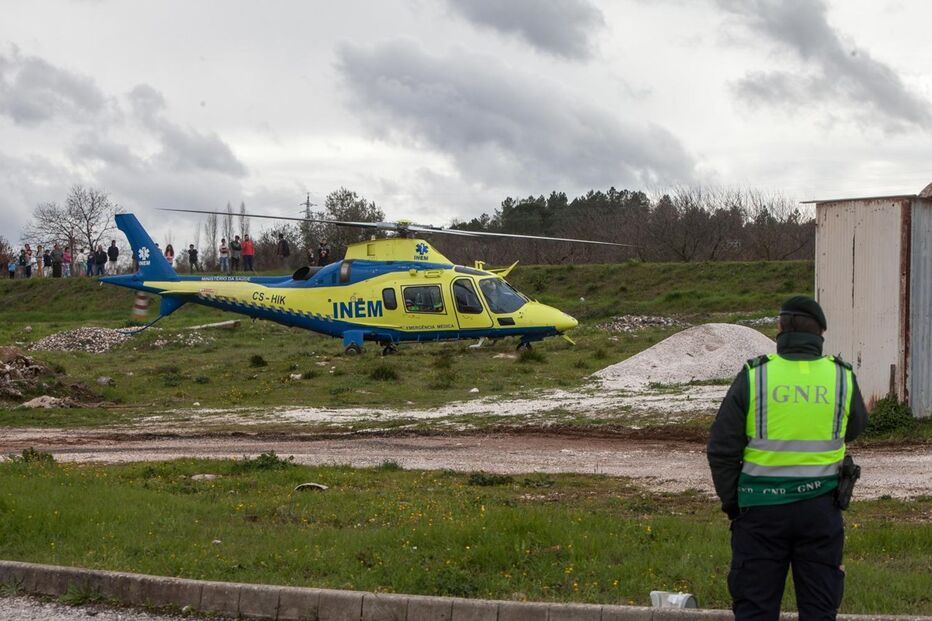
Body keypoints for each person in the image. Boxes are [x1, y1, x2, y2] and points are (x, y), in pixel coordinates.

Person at [707, 296, 868, 621]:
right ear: (820, 334)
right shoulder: (841, 377)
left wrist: (733, 503)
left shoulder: (755, 375)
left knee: (755, 609)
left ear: (780, 330)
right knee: (820, 610)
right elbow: (854, 428)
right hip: (821, 511)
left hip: (759, 511)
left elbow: (722, 447)